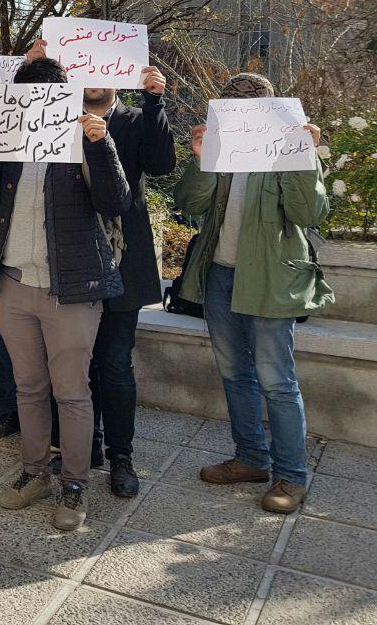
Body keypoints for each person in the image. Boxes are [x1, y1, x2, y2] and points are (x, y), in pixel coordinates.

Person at [0, 57, 132, 532]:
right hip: (13, 283)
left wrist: (101, 146)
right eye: (28, 95)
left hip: (72, 289)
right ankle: (34, 472)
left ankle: (75, 483)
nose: (36, 104)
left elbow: (117, 202)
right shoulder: (8, 138)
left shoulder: (83, 135)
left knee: (72, 393)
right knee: (29, 388)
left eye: (47, 96)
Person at [24, 40, 177, 497]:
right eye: (79, 67)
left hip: (121, 259)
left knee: (113, 363)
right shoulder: (53, 119)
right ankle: (81, 445)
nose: (91, 76)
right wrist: (36, 67)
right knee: (72, 364)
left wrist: (155, 101)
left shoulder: (133, 119)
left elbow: (163, 162)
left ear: (118, 70)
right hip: (68, 259)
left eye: (99, 66)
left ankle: (121, 456)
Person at [175, 73, 330, 515]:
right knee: (234, 373)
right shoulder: (221, 149)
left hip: (271, 280)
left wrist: (306, 158)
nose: (243, 112)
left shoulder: (288, 145)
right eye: (233, 105)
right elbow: (190, 204)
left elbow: (310, 212)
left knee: (277, 381)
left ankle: (292, 476)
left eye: (252, 105)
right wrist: (202, 159)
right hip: (221, 275)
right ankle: (250, 459)